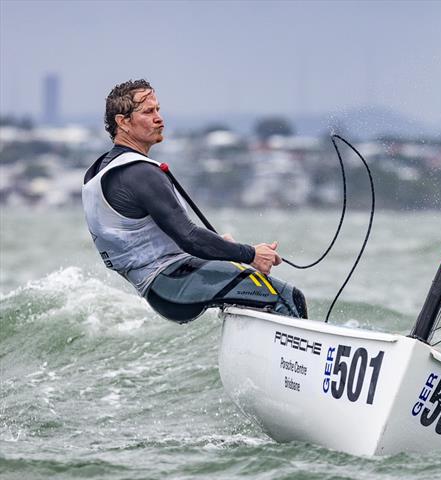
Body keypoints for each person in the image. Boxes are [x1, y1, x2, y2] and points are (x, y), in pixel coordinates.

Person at [82, 79, 307, 322]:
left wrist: (223, 250)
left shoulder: (98, 172)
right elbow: (188, 237)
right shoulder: (139, 173)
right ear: (123, 122)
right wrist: (250, 253)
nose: (159, 119)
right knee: (288, 298)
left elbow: (146, 240)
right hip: (175, 282)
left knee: (254, 294)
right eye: (148, 112)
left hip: (165, 287)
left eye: (158, 109)